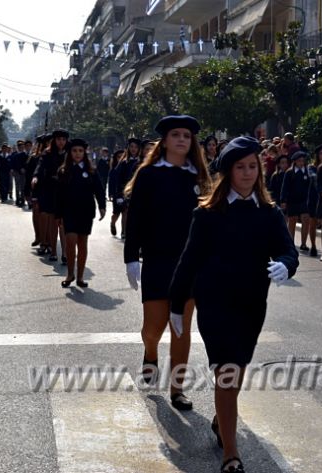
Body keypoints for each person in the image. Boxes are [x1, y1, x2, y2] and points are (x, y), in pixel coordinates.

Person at [169, 136, 298, 473]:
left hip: (252, 304)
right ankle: (231, 454)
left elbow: (288, 249)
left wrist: (286, 263)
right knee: (226, 372)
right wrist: (176, 303)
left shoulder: (269, 213)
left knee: (236, 374)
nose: (247, 172)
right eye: (240, 167)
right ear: (228, 171)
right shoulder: (207, 212)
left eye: (252, 166)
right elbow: (189, 260)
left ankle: (221, 419)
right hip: (215, 303)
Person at [123, 115, 211, 411]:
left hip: (189, 263)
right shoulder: (149, 174)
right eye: (176, 135)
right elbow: (134, 218)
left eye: (187, 135)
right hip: (157, 259)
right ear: (165, 140)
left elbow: (210, 221)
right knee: (153, 326)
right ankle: (150, 352)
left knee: (181, 328)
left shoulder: (198, 175)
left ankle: (177, 390)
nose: (182, 140)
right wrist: (131, 258)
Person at [55, 139, 106, 288]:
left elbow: (99, 190)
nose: (77, 154)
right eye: (74, 151)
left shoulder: (91, 170)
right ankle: (70, 274)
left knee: (82, 244)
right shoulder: (63, 171)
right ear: (70, 153)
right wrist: (58, 215)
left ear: (85, 153)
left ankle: (80, 277)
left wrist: (102, 207)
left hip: (86, 212)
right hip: (68, 212)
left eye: (80, 151)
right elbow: (58, 195)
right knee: (70, 242)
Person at [33, 129, 69, 261]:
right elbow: (39, 167)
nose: (61, 142)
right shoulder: (47, 153)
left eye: (64, 139)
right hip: (50, 190)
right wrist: (35, 177)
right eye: (59, 139)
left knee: (63, 224)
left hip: (65, 191)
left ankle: (65, 253)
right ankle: (53, 250)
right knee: (54, 223)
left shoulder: (71, 152)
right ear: (54, 140)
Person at [280, 151, 312, 251]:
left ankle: (303, 243)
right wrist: (283, 200)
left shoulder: (307, 172)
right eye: (299, 161)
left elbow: (310, 187)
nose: (301, 163)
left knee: (305, 219)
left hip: (304, 200)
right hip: (292, 200)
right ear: (295, 162)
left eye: (303, 161)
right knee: (292, 221)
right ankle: (291, 242)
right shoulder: (290, 172)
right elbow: (284, 187)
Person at [112, 138, 141, 239]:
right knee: (124, 212)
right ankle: (123, 231)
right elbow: (118, 179)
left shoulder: (141, 162)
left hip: (137, 190)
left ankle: (132, 232)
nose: (133, 149)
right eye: (131, 146)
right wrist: (118, 195)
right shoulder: (124, 162)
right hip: (125, 190)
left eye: (136, 147)